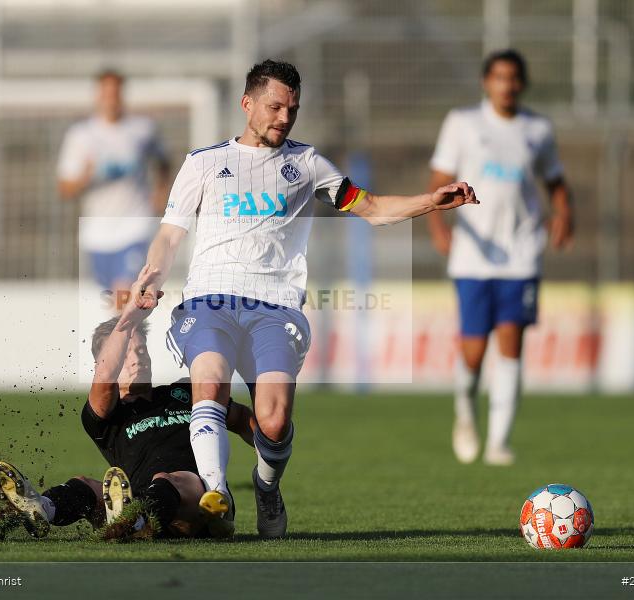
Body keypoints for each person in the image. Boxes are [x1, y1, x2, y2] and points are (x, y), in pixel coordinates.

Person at [120, 60, 478, 538]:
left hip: (275, 307)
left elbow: (369, 208)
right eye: (274, 107)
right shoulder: (203, 163)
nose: (284, 118)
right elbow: (169, 235)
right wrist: (153, 276)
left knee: (272, 419)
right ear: (247, 104)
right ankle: (217, 491)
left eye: (292, 109)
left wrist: (431, 201)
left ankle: (266, 488)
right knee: (209, 382)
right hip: (210, 300)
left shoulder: (307, 165)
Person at [426, 49, 574, 466]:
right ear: (485, 82)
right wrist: (439, 227)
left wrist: (565, 214)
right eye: (498, 77)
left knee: (511, 341)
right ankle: (464, 412)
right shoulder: (463, 123)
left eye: (513, 78)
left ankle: (498, 443)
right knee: (474, 349)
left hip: (522, 252)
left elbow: (556, 181)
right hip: (474, 253)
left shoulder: (538, 129)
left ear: (522, 83)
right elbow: (439, 180)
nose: (506, 85)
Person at [0, 312, 255, 539]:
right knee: (85, 485)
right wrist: (131, 314)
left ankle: (135, 521)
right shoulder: (108, 414)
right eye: (126, 355)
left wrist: (271, 456)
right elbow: (105, 382)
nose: (137, 358)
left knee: (170, 479)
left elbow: (243, 420)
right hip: (132, 501)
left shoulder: (185, 391)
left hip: (201, 507)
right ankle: (43, 508)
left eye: (141, 350)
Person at [57, 69, 170, 310]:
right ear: (97, 96)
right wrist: (84, 178)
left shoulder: (142, 129)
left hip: (135, 227)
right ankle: (125, 344)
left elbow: (163, 160)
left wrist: (161, 190)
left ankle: (128, 344)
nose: (111, 98)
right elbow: (65, 188)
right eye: (106, 93)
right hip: (97, 234)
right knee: (113, 304)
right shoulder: (81, 135)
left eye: (116, 93)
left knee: (124, 293)